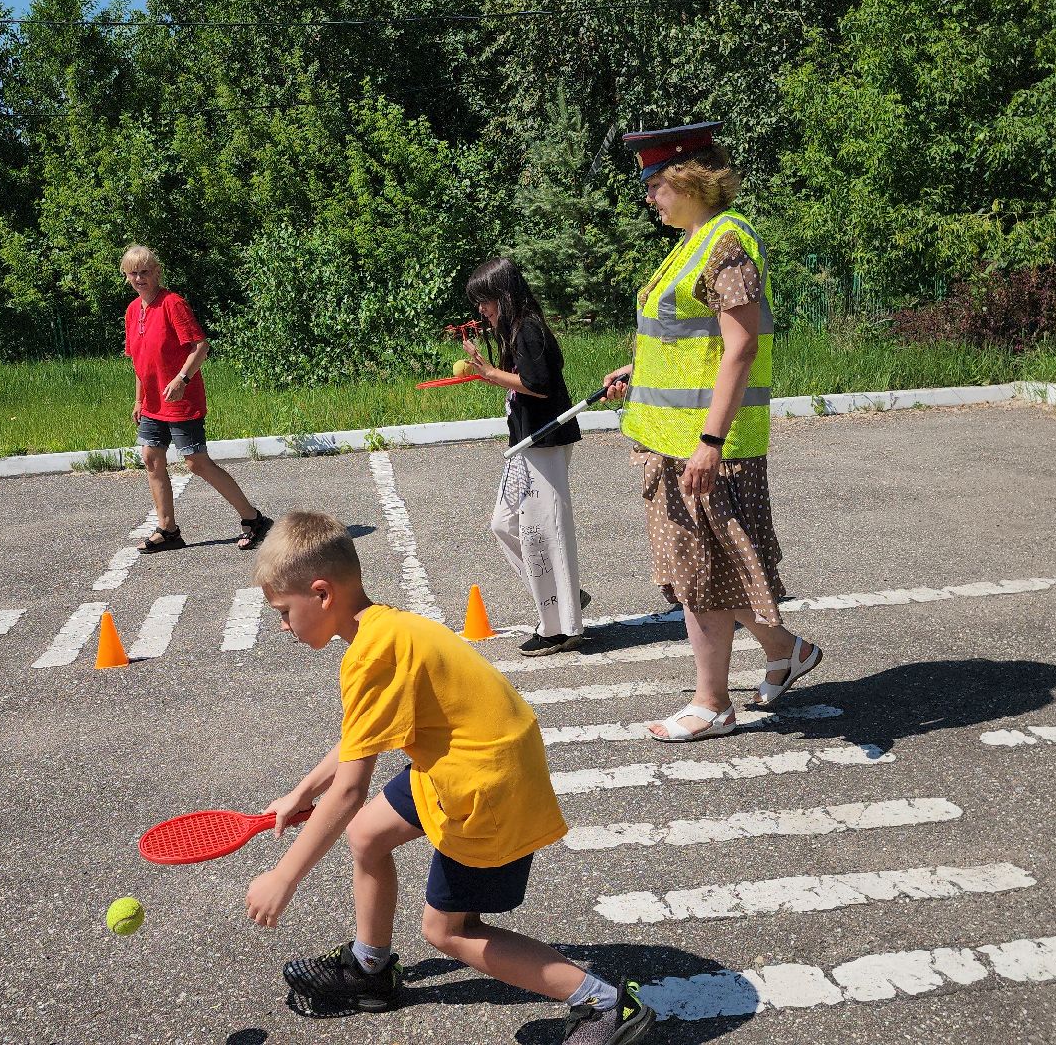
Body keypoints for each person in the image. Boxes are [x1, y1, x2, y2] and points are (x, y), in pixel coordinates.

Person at [242, 512, 655, 1044]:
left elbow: (349, 791)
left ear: (322, 594)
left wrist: (283, 877)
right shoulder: (385, 628)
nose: (283, 626)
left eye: (283, 611)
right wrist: (300, 793)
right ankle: (370, 969)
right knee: (367, 834)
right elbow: (359, 737)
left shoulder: (370, 655)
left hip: (486, 786)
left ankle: (606, 1004)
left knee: (448, 932)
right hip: (469, 761)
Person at [600, 122, 825, 743]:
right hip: (674, 441)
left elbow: (741, 345)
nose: (649, 196)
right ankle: (786, 652)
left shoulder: (725, 244)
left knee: (701, 577)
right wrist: (639, 372)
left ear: (688, 179)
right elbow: (689, 340)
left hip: (705, 448)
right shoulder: (693, 242)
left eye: (654, 183)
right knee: (718, 571)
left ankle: (712, 703)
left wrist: (710, 442)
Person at [460, 258, 588, 656]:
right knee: (503, 525)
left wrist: (490, 374)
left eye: (485, 300)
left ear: (504, 295)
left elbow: (539, 384)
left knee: (543, 533)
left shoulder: (529, 329)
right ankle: (566, 597)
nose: (482, 309)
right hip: (525, 444)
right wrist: (488, 370)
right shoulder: (515, 330)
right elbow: (525, 383)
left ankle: (560, 628)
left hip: (545, 442)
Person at [119, 244, 272, 553]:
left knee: (196, 462)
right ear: (126, 276)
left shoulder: (172, 303)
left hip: (180, 400)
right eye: (133, 273)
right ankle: (168, 530)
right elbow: (139, 361)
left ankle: (254, 519)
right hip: (153, 403)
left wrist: (182, 379)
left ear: (157, 272)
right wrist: (139, 400)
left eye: (145, 271)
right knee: (151, 458)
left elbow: (200, 346)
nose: (139, 278)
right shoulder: (134, 310)